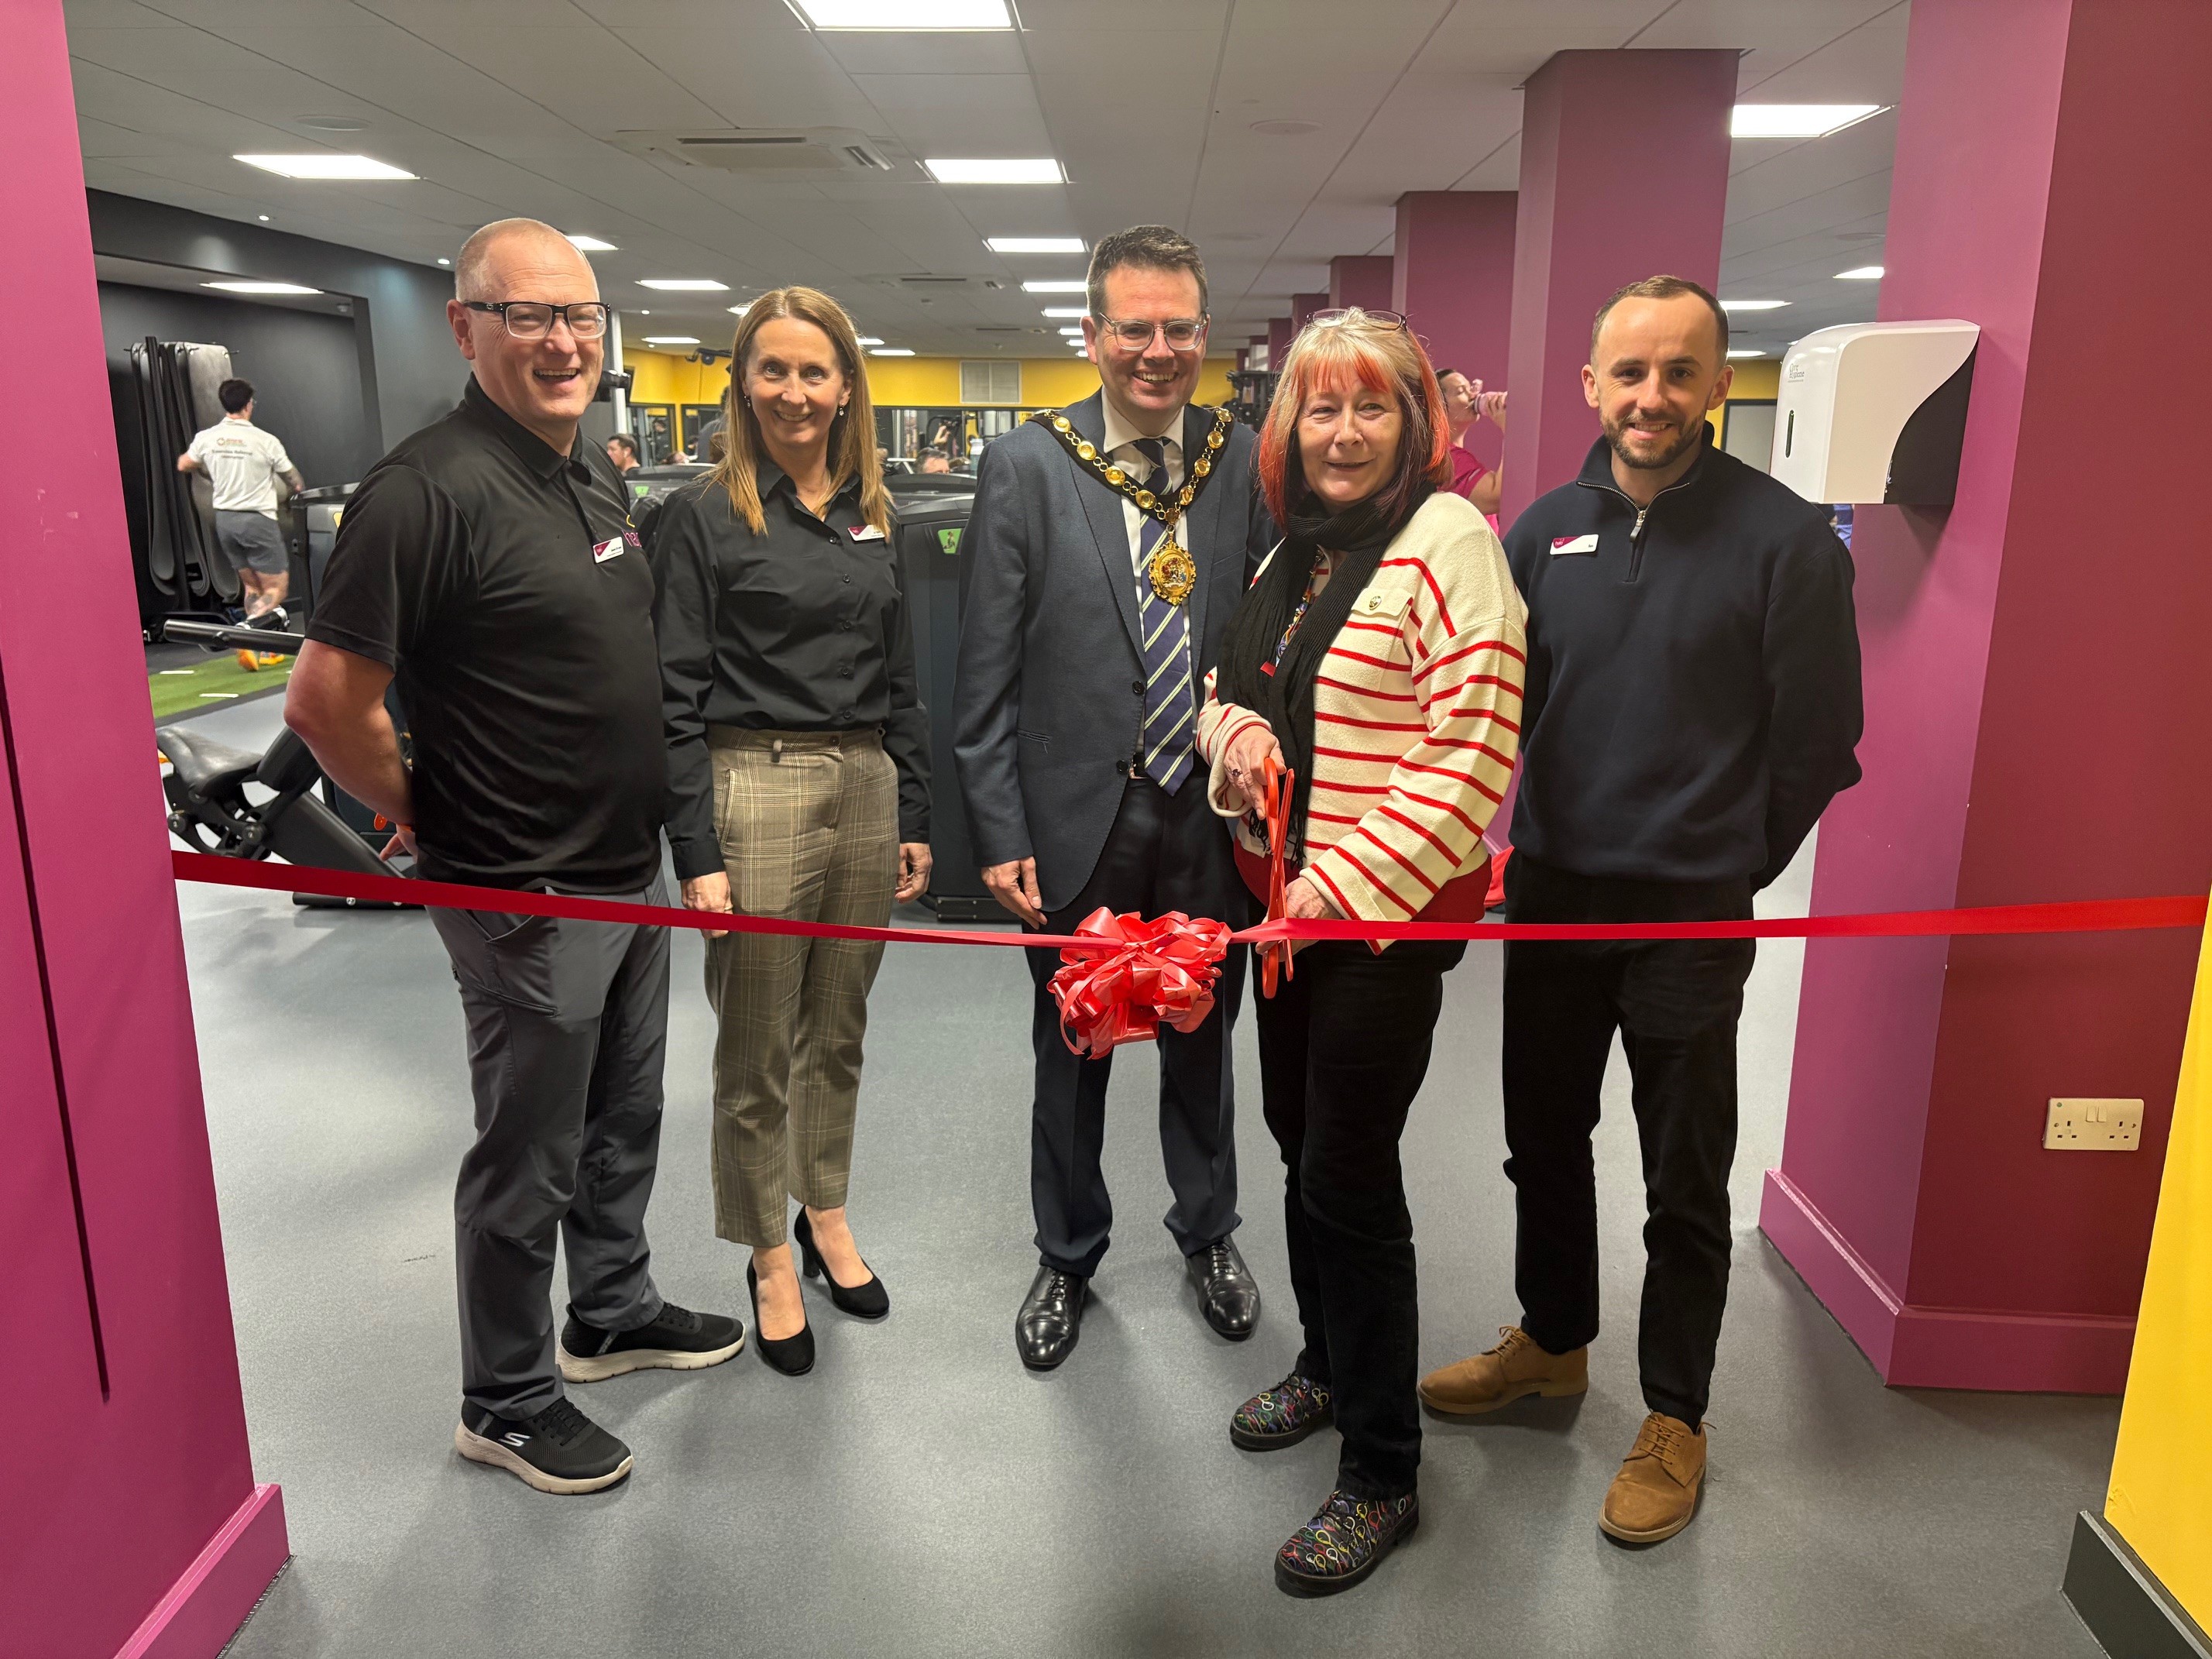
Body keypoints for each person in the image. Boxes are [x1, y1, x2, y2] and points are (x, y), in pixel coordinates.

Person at [285, 218, 744, 1497]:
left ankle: (607, 1310)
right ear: (464, 326)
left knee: (625, 1114)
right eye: (527, 315)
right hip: (523, 885)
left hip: (626, 862)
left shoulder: (589, 471)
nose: (561, 341)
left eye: (580, 317)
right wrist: (432, 811)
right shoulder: (419, 492)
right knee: (528, 1150)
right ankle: (507, 1396)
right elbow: (326, 704)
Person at [1417, 275, 1863, 1545]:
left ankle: (1675, 1412)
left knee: (1681, 1175)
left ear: (1720, 384)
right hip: (1553, 894)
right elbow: (1496, 704)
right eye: (1630, 372)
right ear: (1590, 386)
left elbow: (1819, 741)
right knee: (1541, 1143)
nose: (1652, 395)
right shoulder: (1542, 528)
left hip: (1689, 910)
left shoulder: (1784, 544)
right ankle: (1554, 1340)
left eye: (1679, 371)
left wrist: (1729, 860)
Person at [1197, 308, 1526, 1596]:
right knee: (1294, 1138)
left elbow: (1469, 762)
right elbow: (1232, 685)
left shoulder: (1451, 544)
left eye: (1369, 407)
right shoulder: (1302, 550)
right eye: (1319, 408)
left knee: (1346, 1167)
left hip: (1373, 927)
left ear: (1413, 425)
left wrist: (1324, 887)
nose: (1342, 432)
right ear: (1291, 428)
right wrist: (1234, 752)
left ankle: (1383, 1467)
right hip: (1287, 919)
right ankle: (1328, 1365)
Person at [955, 225, 1275, 1370]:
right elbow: (982, 670)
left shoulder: (1245, 461)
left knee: (1203, 1035)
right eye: (1132, 328)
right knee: (1073, 1043)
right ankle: (1068, 1252)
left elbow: (1269, 638)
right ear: (1091, 336)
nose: (1157, 351)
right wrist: (997, 828)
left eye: (1178, 327)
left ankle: (1208, 1233)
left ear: (1205, 333)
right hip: (1076, 814)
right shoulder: (1030, 465)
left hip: (1206, 812)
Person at [657, 287, 933, 1377]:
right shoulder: (703, 515)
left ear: (847, 385)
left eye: (816, 371)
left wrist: (914, 809)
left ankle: (826, 1210)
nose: (795, 391)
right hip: (752, 780)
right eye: (772, 369)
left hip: (864, 775)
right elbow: (672, 694)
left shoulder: (875, 509)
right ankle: (767, 1251)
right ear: (742, 380)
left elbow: (903, 674)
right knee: (757, 1042)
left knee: (841, 1026)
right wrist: (699, 852)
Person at [177, 377, 304, 669]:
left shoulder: (207, 438)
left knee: (252, 588)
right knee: (276, 589)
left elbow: (184, 464)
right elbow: (293, 480)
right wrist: (296, 493)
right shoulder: (265, 440)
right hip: (256, 520)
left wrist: (211, 472)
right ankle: (246, 637)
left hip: (226, 521)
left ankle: (268, 649)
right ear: (249, 405)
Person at [1434, 368, 1505, 519]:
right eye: (1461, 391)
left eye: (1471, 388)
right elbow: (1499, 495)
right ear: (1437, 408)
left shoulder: (1454, 457)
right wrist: (1510, 429)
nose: (1473, 396)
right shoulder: (1446, 460)